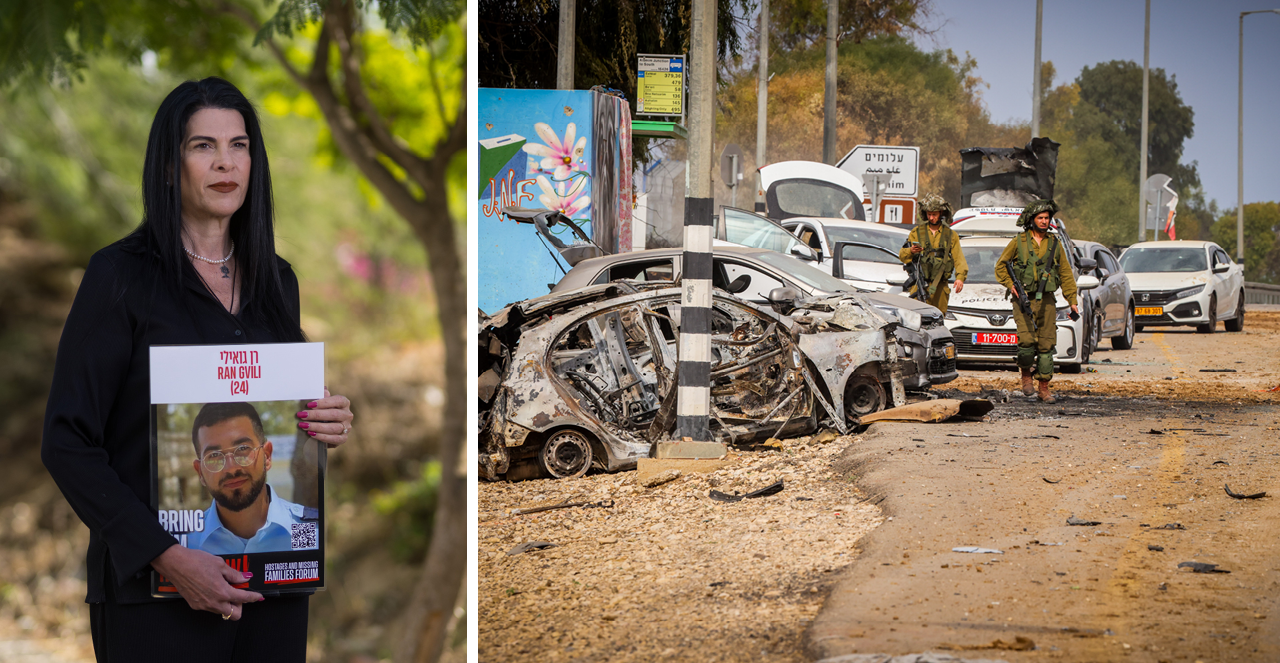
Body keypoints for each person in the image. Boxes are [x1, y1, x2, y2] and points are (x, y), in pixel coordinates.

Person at [41, 77, 354, 662]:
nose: (225, 163)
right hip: (153, 599)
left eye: (239, 146)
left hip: (273, 589)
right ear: (169, 165)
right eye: (202, 146)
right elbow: (67, 442)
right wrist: (167, 556)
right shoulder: (119, 277)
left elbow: (288, 416)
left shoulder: (277, 280)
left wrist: (324, 420)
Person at [184, 402, 319, 556]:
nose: (231, 468)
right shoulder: (185, 544)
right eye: (214, 456)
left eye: (242, 449)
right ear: (200, 472)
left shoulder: (309, 530)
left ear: (267, 456)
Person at [994, 199, 1079, 403]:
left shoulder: (1054, 243)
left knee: (1046, 344)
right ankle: (1026, 374)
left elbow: (1065, 273)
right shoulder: (1019, 242)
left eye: (1047, 218)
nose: (1044, 221)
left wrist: (1072, 300)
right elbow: (1000, 266)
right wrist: (1010, 285)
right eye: (1040, 218)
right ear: (1032, 220)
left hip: (1047, 300)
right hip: (1023, 300)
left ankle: (1044, 388)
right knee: (1026, 342)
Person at [898, 193, 967, 314]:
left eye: (934, 214)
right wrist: (911, 251)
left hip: (940, 287)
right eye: (929, 214)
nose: (931, 218)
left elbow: (959, 258)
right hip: (919, 284)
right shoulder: (917, 232)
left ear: (941, 213)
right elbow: (902, 256)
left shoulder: (950, 235)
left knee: (938, 317)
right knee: (916, 317)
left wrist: (960, 278)